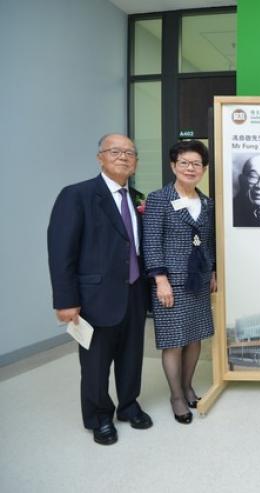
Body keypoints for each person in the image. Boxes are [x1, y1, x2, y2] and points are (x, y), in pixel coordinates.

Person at [48, 133, 153, 445]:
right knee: (95, 363)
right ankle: (99, 416)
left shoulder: (136, 198)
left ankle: (129, 405)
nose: (123, 157)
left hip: (134, 292)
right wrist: (66, 300)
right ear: (100, 158)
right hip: (94, 297)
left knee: (132, 357)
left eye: (130, 153)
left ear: (135, 163)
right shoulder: (77, 195)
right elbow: (60, 252)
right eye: (115, 151)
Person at [143, 140, 216, 425]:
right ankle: (176, 396)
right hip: (170, 280)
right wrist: (160, 280)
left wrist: (214, 272)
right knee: (174, 341)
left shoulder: (207, 202)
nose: (190, 168)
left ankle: (187, 386)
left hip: (198, 279)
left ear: (204, 169)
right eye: (184, 162)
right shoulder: (159, 198)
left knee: (195, 336)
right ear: (173, 165)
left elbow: (211, 241)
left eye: (196, 164)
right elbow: (151, 242)